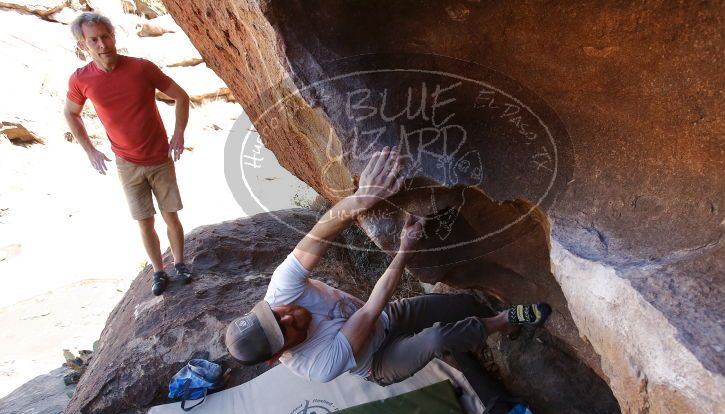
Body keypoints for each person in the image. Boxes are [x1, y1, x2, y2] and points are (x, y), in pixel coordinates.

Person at [225, 147, 551, 385]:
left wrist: (361, 199)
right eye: (284, 329)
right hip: (377, 359)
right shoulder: (315, 366)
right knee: (434, 340)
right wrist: (405, 248)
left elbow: (317, 236)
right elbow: (367, 312)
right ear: (276, 357)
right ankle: (503, 322)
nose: (288, 314)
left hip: (386, 318)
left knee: (466, 304)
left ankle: (479, 325)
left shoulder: (280, 291)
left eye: (273, 314)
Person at [64, 12, 192, 296]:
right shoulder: (81, 79)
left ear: (114, 36)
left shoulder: (141, 68)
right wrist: (90, 150)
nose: (102, 44)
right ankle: (159, 271)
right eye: (93, 40)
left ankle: (180, 264)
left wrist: (179, 133)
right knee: (144, 221)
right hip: (126, 162)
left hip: (159, 157)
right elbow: (71, 113)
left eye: (105, 36)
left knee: (170, 215)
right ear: (83, 44)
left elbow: (181, 96)